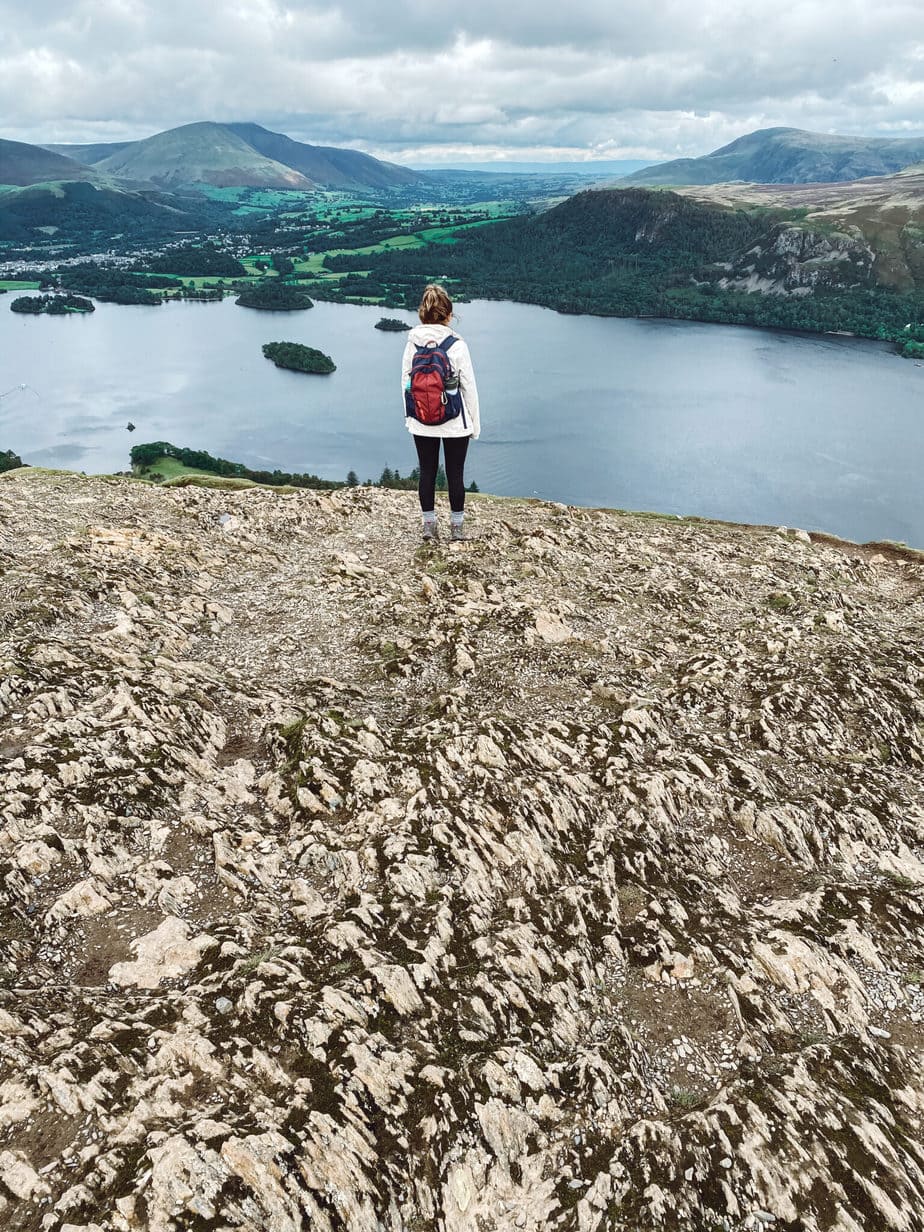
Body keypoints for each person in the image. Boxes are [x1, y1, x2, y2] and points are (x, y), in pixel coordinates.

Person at [402, 283, 480, 542]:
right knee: (455, 473)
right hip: (454, 420)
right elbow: (469, 387)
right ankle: (456, 530)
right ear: (449, 314)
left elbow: (406, 384)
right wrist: (474, 427)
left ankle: (429, 526)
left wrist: (410, 418)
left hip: (421, 420)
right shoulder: (457, 344)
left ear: (422, 314)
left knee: (427, 471)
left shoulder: (412, 343)